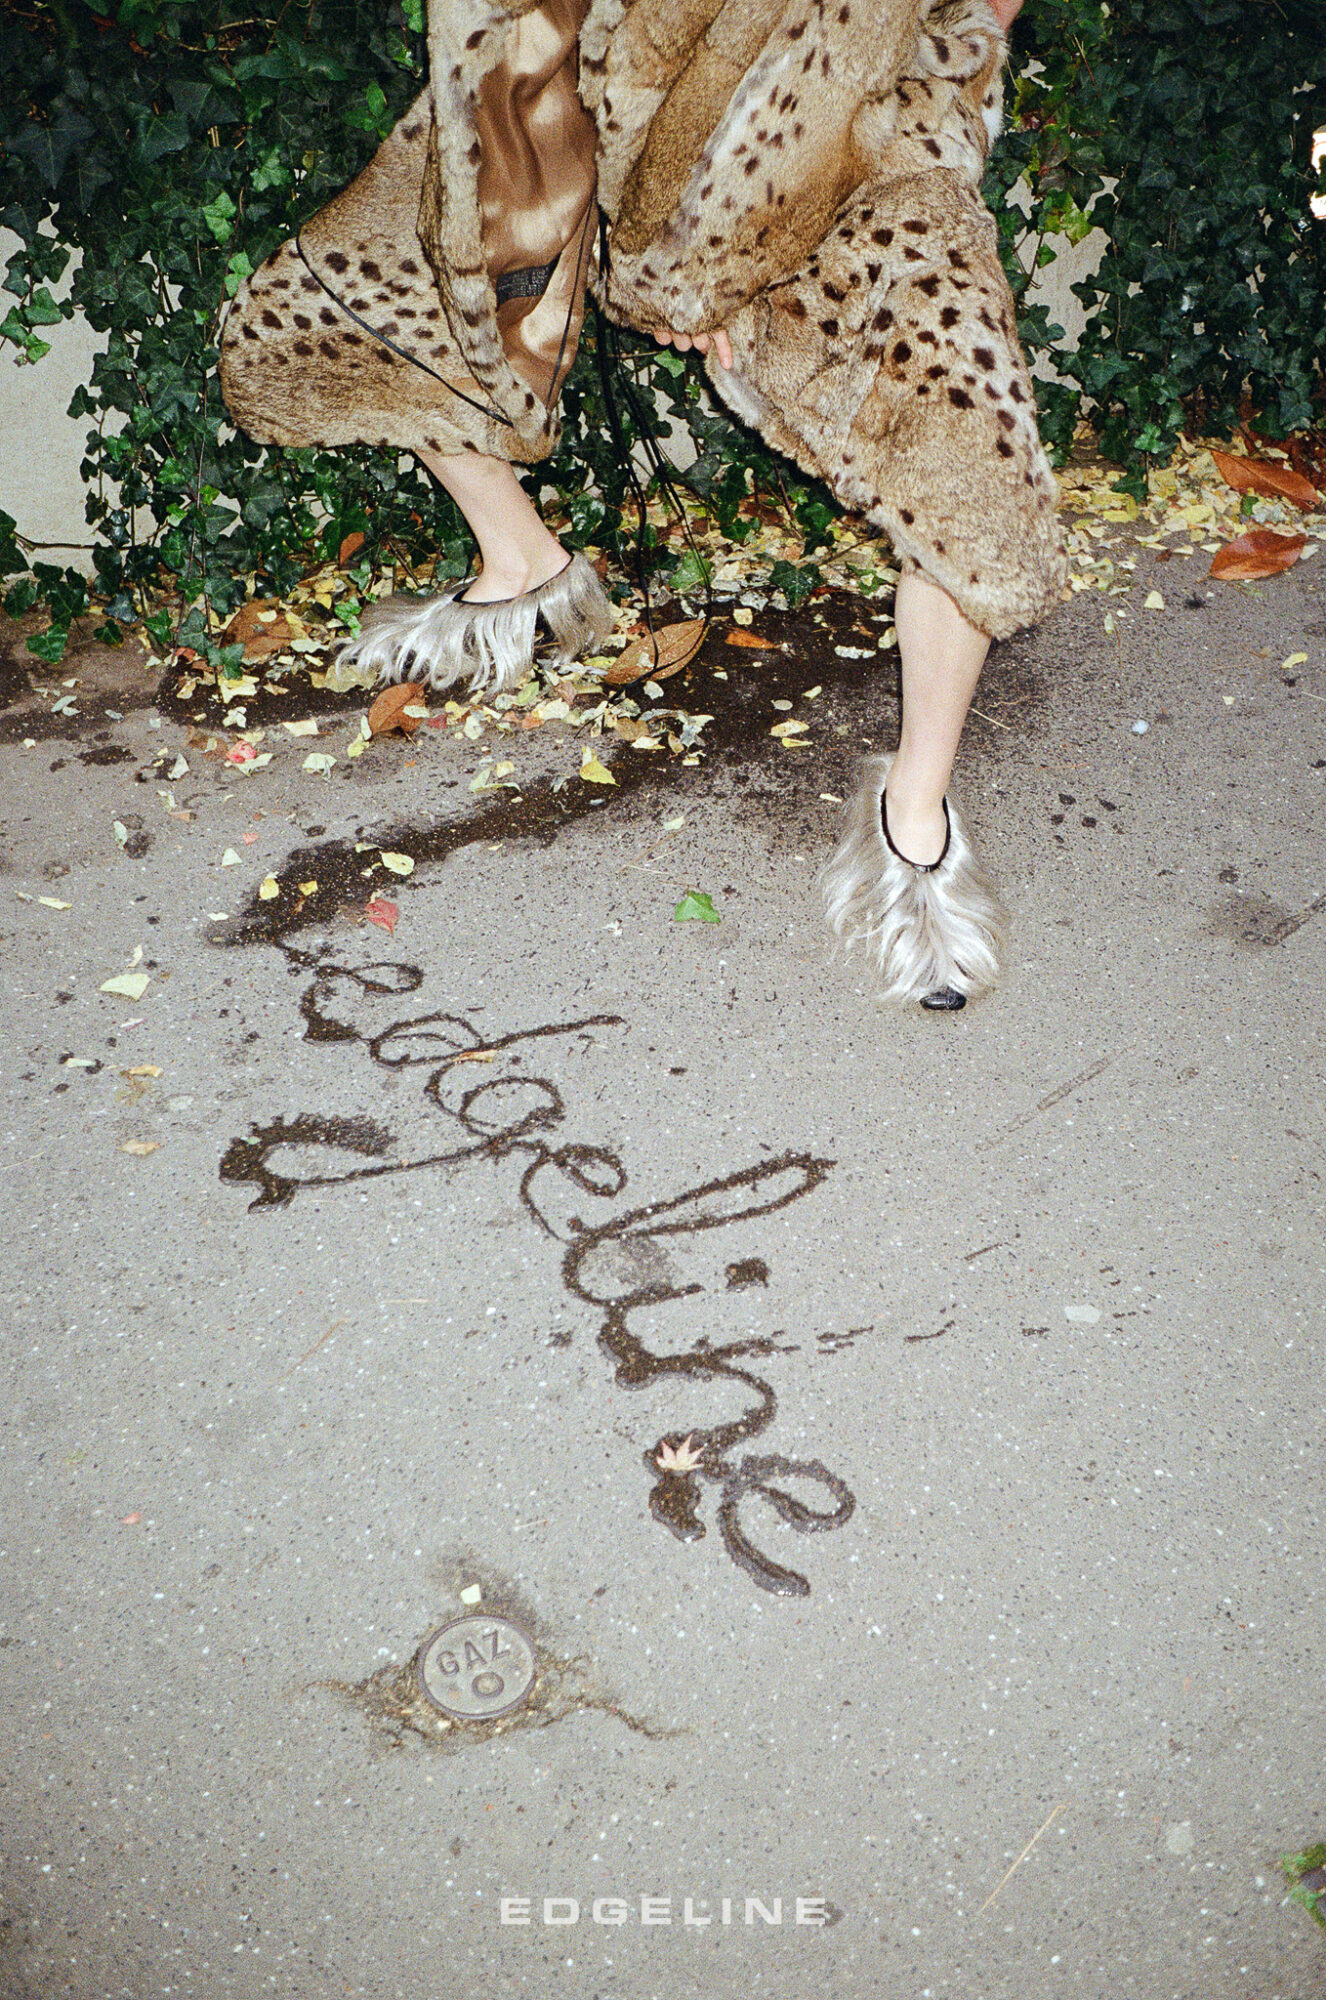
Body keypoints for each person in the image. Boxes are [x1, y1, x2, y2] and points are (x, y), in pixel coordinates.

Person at [219, 0, 1064, 1009]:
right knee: (367, 292)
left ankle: (912, 817)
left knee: (969, 447)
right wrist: (693, 258)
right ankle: (522, 567)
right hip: (650, 110)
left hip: (878, 129)